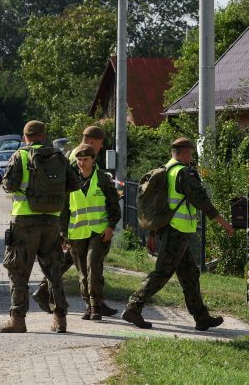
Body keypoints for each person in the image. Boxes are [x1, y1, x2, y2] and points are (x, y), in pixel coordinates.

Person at [122, 137, 235, 332]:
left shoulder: (167, 171)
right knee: (162, 273)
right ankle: (134, 306)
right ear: (184, 153)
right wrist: (225, 224)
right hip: (176, 231)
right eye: (190, 153)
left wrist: (152, 233)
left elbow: (159, 206)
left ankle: (201, 317)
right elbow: (202, 201)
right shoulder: (183, 173)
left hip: (172, 230)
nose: (191, 157)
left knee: (190, 274)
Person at [0, 120, 81, 334]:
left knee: (18, 271)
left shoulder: (21, 156)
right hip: (51, 221)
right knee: (54, 272)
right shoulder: (59, 157)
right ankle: (60, 320)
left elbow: (9, 185)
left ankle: (18, 320)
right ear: (44, 136)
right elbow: (75, 184)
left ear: (25, 137)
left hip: (24, 221)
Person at [32, 124, 118, 316]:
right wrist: (63, 229)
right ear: (91, 141)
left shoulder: (74, 155)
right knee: (76, 263)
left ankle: (94, 302)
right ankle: (47, 290)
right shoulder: (75, 158)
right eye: (100, 143)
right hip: (74, 224)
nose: (101, 147)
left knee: (85, 263)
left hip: (83, 226)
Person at [60, 143, 120, 320]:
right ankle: (88, 305)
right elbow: (64, 210)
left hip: (99, 232)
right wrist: (63, 233)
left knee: (93, 266)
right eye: (79, 159)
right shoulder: (70, 179)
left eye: (85, 159)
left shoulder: (102, 179)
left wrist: (110, 227)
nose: (81, 163)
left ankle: (95, 307)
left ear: (93, 160)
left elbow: (114, 206)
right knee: (82, 274)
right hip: (76, 234)